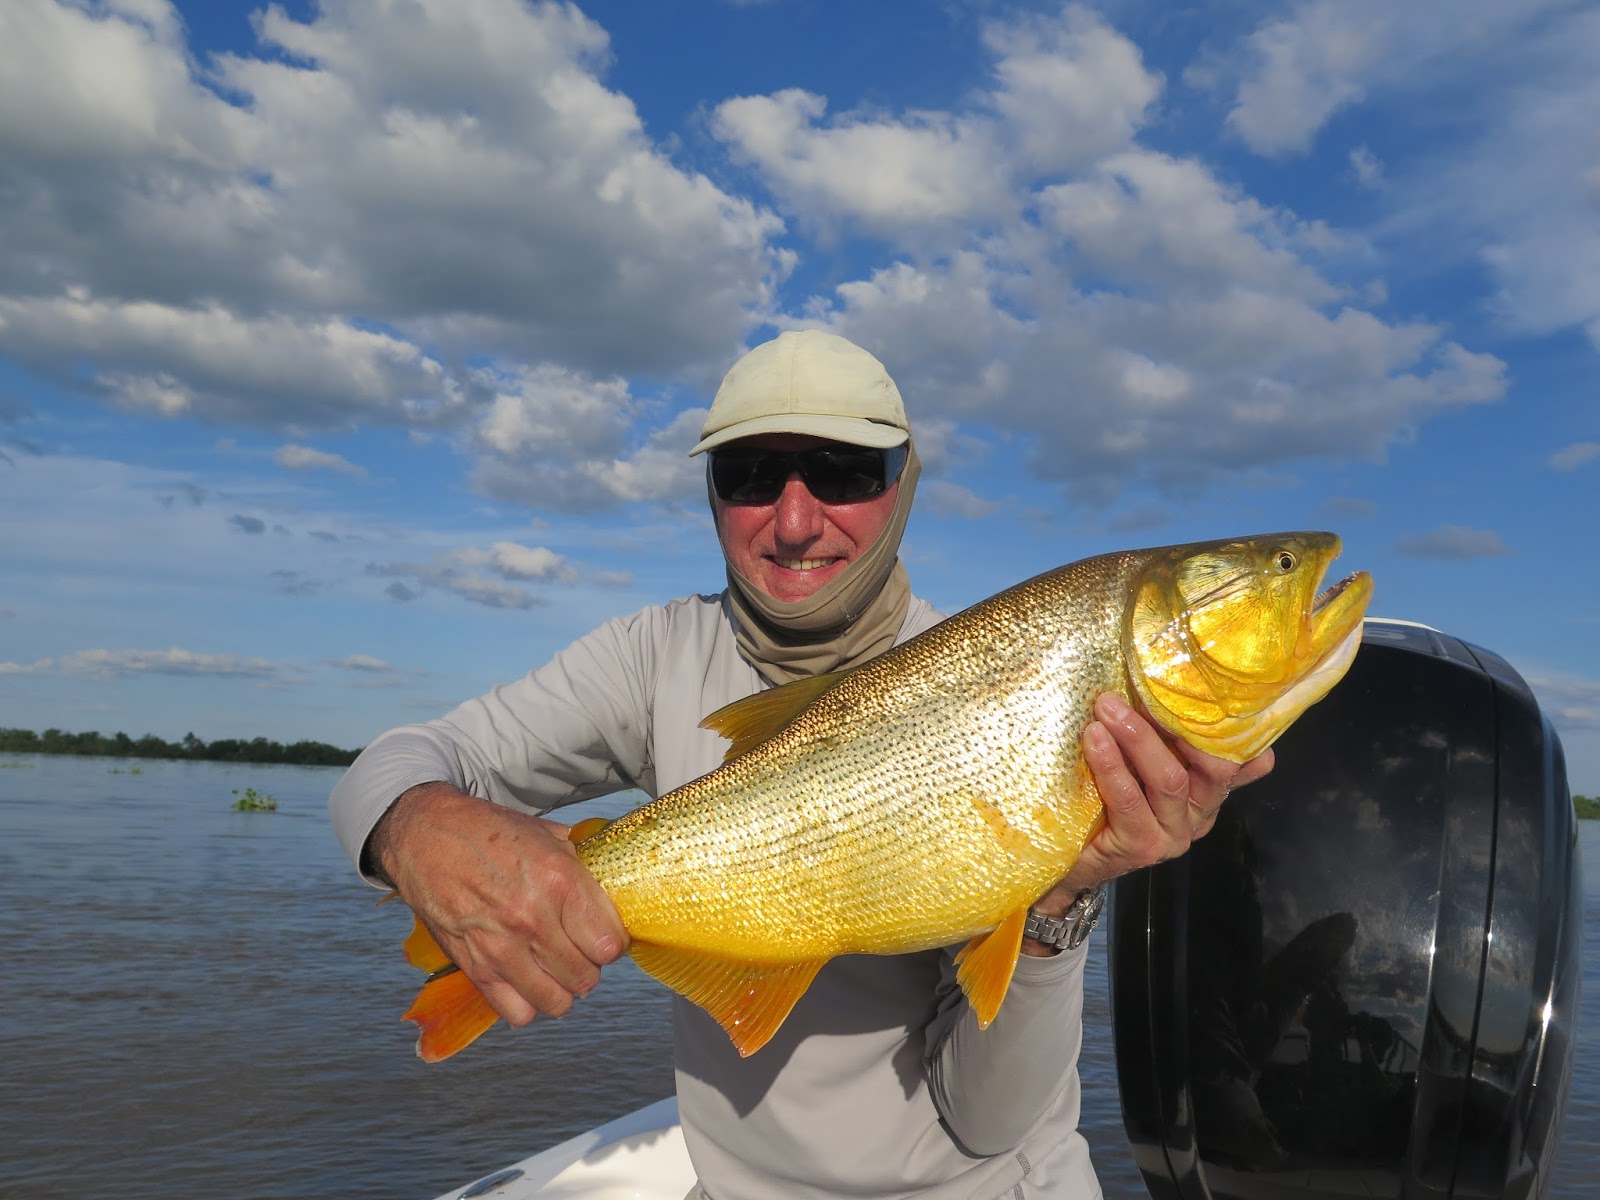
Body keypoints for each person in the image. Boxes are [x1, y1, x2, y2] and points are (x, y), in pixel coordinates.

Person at [329, 329, 1272, 1199]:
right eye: (749, 473)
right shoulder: (650, 657)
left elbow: (991, 1127)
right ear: (712, 494)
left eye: (841, 470)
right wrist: (415, 824)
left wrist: (1058, 902)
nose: (793, 518)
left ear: (902, 483)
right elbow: (398, 764)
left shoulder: (1001, 682)